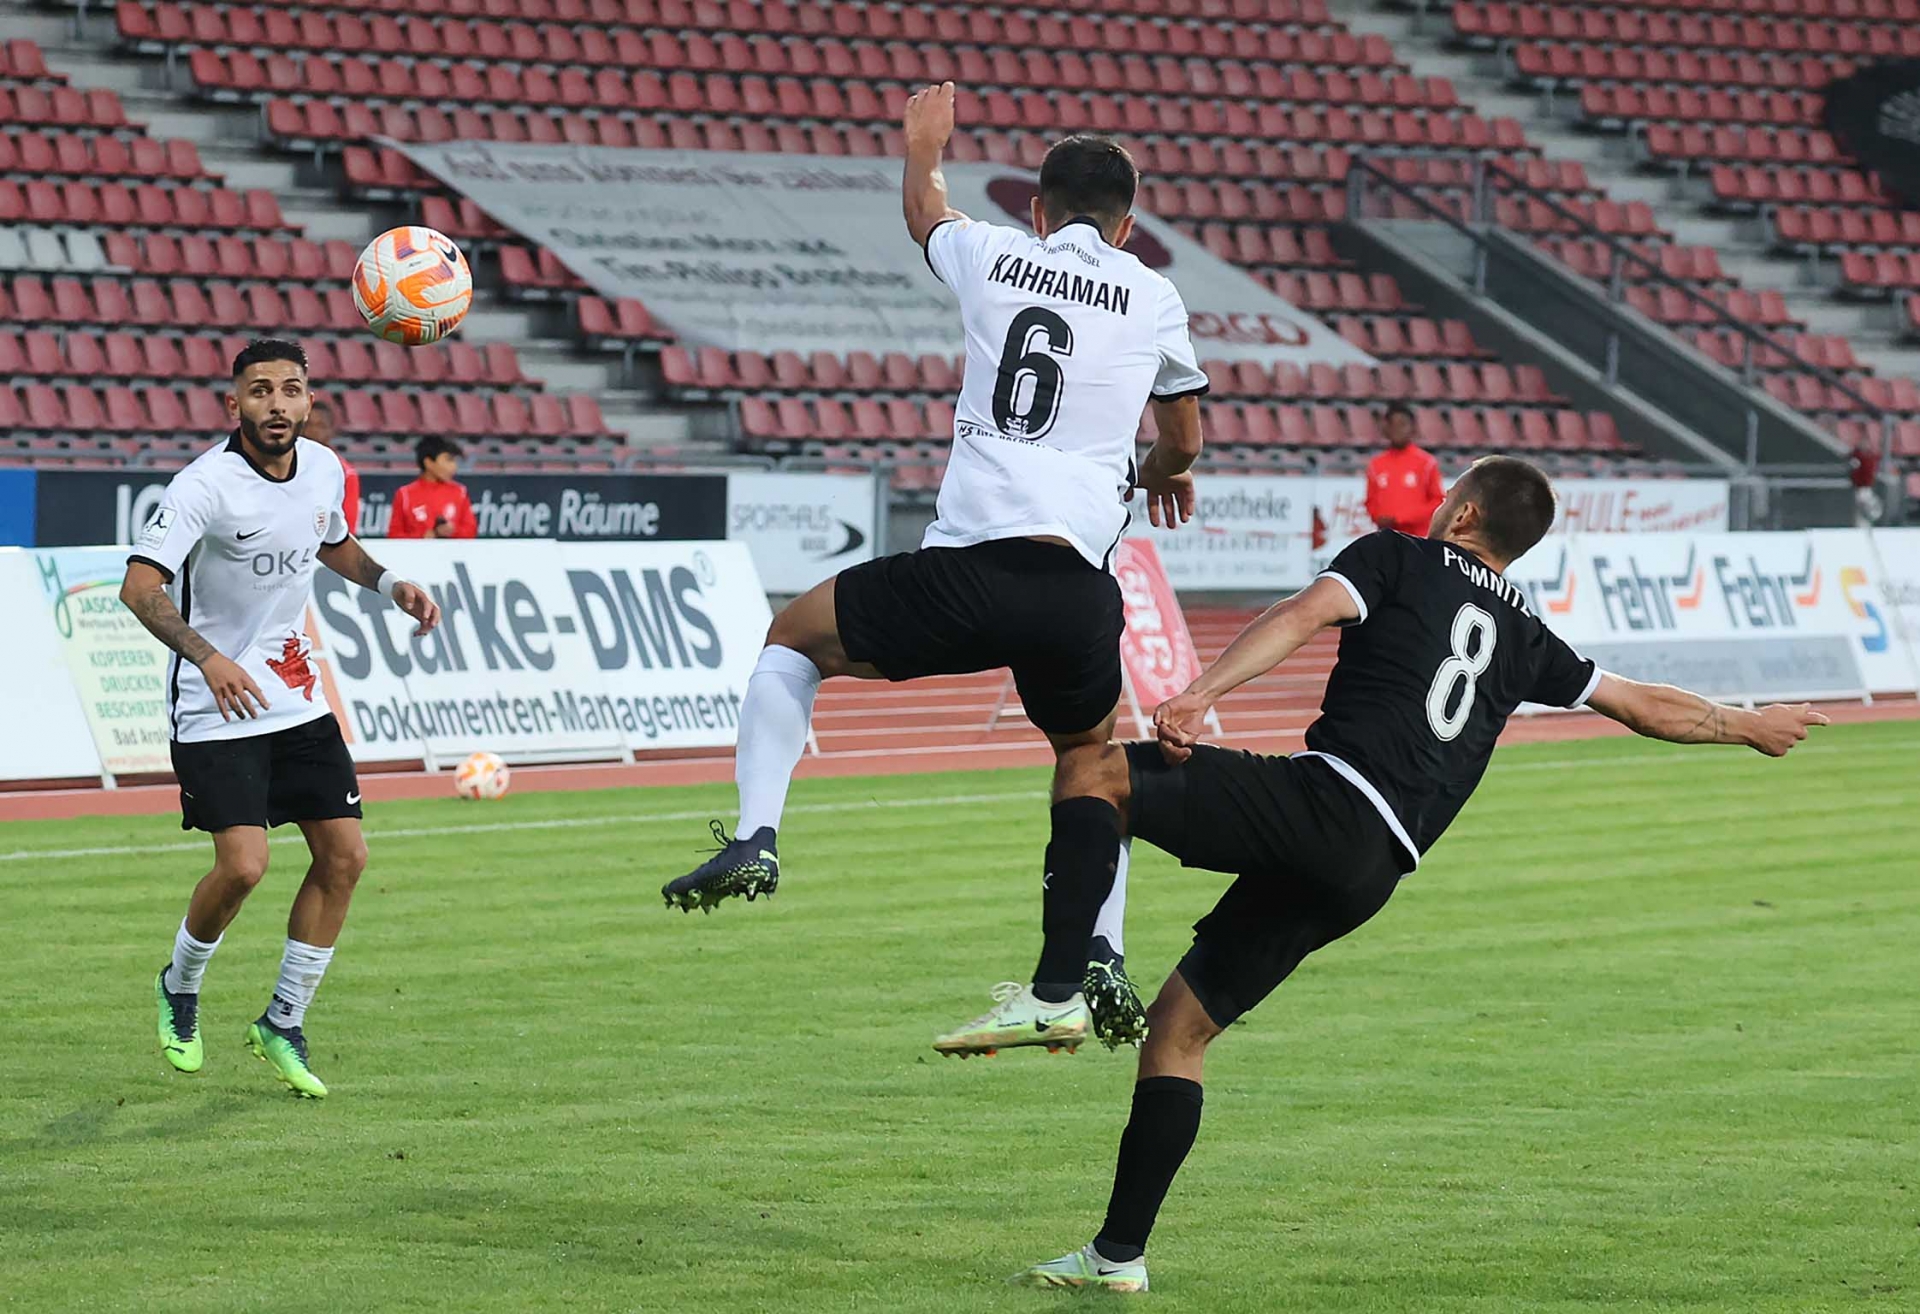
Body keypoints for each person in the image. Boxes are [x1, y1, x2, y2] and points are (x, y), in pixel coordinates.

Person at [1017, 455, 1827, 1291]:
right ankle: (1118, 1257)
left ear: (1467, 513)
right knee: (1179, 1031)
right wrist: (1746, 724)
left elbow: (1302, 613)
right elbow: (1637, 703)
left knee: (1099, 770)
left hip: (1331, 802)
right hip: (1373, 870)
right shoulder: (1526, 636)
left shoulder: (1396, 556)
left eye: (1449, 496)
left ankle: (1065, 985)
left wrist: (1196, 692)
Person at [658, 82, 1210, 1058]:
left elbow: (926, 213)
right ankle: (1097, 958)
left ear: (1035, 212)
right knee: (1093, 764)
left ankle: (756, 834)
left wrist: (925, 144)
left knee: (794, 637)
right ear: (1127, 228)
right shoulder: (1153, 292)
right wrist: (1162, 469)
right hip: (1078, 591)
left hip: (968, 572)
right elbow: (1184, 436)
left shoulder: (995, 252)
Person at [121, 339, 442, 1099]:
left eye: (290, 390)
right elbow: (139, 589)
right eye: (259, 391)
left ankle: (283, 1022)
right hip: (214, 705)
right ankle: (181, 985)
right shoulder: (204, 485)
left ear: (307, 400)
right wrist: (209, 658)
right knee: (243, 867)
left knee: (346, 857)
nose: (276, 404)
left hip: (295, 696)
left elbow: (330, 542)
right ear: (234, 406)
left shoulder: (324, 468)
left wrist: (390, 583)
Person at [1365, 401, 1445, 534]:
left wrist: (1400, 518)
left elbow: (1437, 501)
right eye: (1393, 425)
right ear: (1386, 429)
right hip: (1386, 538)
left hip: (1417, 540)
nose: (1397, 429)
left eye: (1402, 424)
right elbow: (1370, 501)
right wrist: (1377, 516)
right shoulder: (1375, 464)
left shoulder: (1426, 463)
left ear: (1412, 428)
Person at [387, 435, 477, 539]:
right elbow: (394, 536)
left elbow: (471, 531)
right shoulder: (404, 494)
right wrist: (422, 537)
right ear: (429, 463)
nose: (454, 466)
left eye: (455, 461)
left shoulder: (460, 491)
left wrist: (452, 531)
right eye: (448, 460)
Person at [301, 395, 359, 535]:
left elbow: (347, 526)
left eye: (320, 425)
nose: (313, 431)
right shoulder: (282, 465)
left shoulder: (346, 473)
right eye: (308, 424)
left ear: (331, 431)